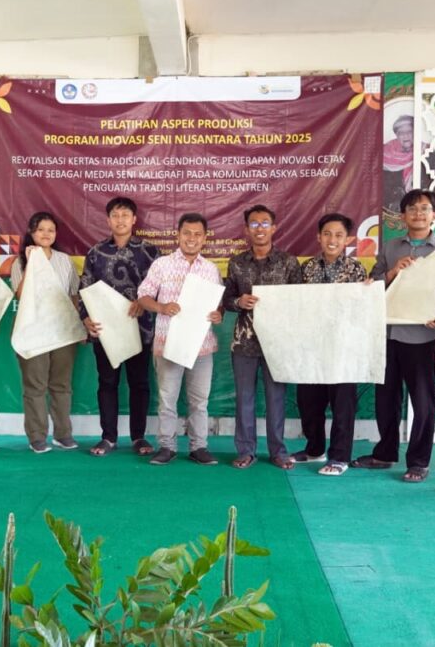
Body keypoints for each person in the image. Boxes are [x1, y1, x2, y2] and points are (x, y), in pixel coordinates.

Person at [353, 189, 435, 482]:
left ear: (434, 215)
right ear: (402, 216)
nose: (418, 214)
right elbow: (371, 285)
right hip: (388, 335)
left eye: (424, 208)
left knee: (423, 403)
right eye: (412, 209)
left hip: (423, 337)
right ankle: (385, 454)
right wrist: (392, 273)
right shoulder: (390, 248)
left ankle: (418, 462)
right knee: (386, 399)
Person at [137, 213, 223, 466]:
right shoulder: (161, 264)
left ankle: (199, 447)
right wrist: (162, 307)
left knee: (199, 401)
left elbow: (217, 304)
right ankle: (167, 447)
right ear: (178, 235)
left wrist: (218, 314)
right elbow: (143, 296)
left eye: (198, 234)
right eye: (187, 233)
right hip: (169, 343)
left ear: (204, 238)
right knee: (167, 399)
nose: (192, 238)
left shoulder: (211, 269)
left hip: (202, 345)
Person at [79, 197, 160, 457]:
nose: (120, 220)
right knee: (107, 383)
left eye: (125, 215)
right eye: (115, 215)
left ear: (134, 219)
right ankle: (108, 437)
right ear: (108, 220)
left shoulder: (150, 252)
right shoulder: (96, 252)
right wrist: (85, 318)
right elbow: (84, 289)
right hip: (106, 330)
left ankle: (139, 437)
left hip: (140, 328)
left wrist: (145, 303)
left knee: (140, 383)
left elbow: (161, 288)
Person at [223, 204, 302, 470]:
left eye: (265, 223)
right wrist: (239, 301)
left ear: (274, 228)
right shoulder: (236, 263)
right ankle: (246, 451)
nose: (259, 228)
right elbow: (226, 299)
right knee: (244, 398)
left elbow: (299, 301)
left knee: (276, 398)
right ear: (246, 229)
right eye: (254, 224)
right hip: (244, 341)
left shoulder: (288, 262)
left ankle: (278, 451)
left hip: (278, 342)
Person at [291, 213, 369, 476]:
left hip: (344, 348)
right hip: (311, 347)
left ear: (347, 240)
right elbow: (297, 304)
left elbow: (362, 309)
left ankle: (339, 457)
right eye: (327, 234)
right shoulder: (307, 268)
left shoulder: (356, 270)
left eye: (338, 235)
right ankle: (314, 449)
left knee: (342, 405)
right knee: (308, 402)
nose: (332, 240)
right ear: (318, 237)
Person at [10, 212, 80, 453]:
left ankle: (63, 434)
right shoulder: (19, 262)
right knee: (35, 386)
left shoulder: (64, 261)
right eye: (40, 229)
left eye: (51, 230)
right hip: (33, 332)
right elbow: (20, 294)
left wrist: (78, 327)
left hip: (62, 330)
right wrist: (32, 263)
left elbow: (73, 295)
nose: (46, 234)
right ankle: (37, 436)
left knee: (61, 385)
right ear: (31, 233)